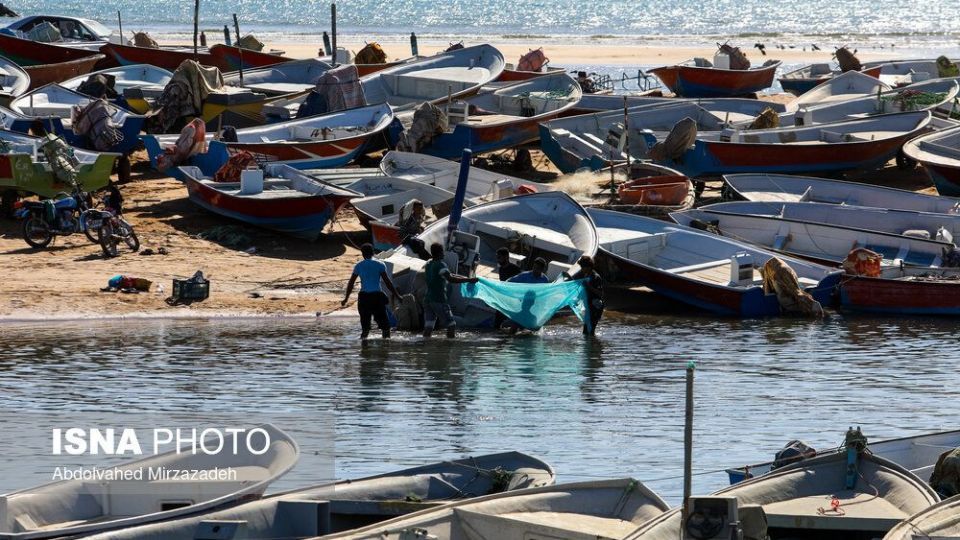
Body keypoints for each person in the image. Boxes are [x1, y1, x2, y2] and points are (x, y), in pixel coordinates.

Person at [342, 243, 401, 340]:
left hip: (364, 298)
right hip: (376, 297)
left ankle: (364, 352)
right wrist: (398, 296)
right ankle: (385, 351)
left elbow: (351, 283)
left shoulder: (358, 266)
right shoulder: (380, 264)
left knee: (365, 329)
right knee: (386, 328)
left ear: (362, 254)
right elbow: (388, 283)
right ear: (373, 252)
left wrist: (346, 298)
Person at [423, 242, 478, 338]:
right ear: (440, 253)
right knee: (451, 325)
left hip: (428, 300)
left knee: (429, 326)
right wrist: (469, 280)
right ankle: (447, 350)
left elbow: (449, 275)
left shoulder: (429, 264)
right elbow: (451, 279)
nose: (444, 254)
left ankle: (423, 346)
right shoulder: (441, 265)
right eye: (442, 252)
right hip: (438, 300)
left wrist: (465, 278)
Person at [568, 255, 604, 335]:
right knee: (585, 332)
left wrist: (588, 286)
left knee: (589, 332)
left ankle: (593, 346)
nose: (581, 269)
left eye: (583, 267)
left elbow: (600, 293)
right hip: (588, 307)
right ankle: (592, 345)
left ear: (588, 266)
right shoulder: (586, 275)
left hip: (595, 307)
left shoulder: (595, 277)